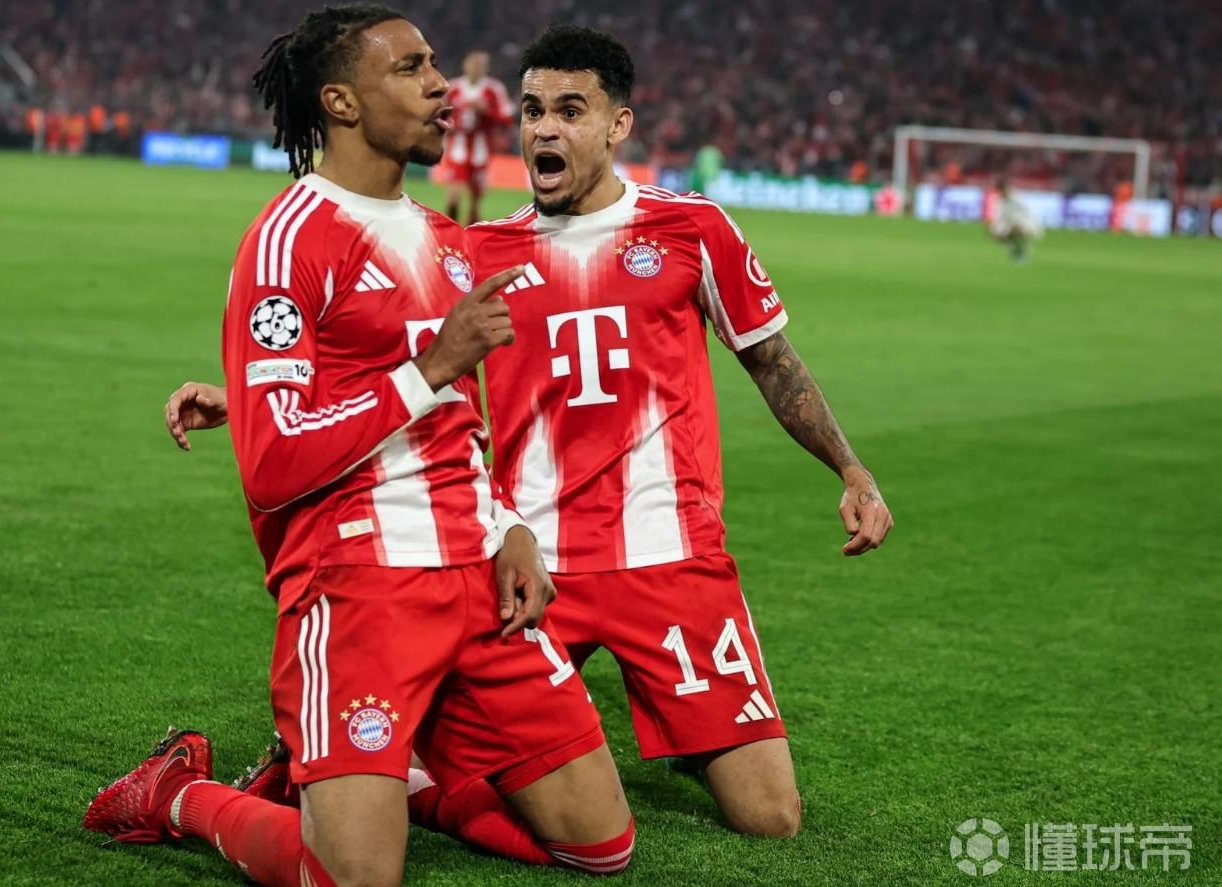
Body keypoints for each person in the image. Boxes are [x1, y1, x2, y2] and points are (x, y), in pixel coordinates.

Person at [166, 23, 893, 842]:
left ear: (615, 125)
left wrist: (851, 469)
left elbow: (771, 360)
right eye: (533, 110)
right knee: (430, 767)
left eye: (569, 112)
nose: (544, 129)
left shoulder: (691, 229)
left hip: (670, 553)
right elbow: (399, 345)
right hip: (530, 559)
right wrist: (242, 394)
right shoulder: (476, 251)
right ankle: (320, 762)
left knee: (769, 817)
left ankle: (683, 731)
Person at [85, 7, 635, 886]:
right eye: (410, 69)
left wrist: (509, 531)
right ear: (340, 102)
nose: (440, 85)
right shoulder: (289, 239)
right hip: (357, 585)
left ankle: (394, 780)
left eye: (434, 64)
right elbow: (272, 464)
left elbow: (460, 424)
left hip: (475, 577)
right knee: (352, 879)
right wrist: (430, 365)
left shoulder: (444, 240)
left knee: (601, 846)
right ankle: (178, 793)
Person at [442, 50, 511, 224]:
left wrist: (487, 111)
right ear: (465, 66)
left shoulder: (494, 89)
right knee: (453, 197)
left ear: (485, 69)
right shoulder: (453, 88)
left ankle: (470, 232)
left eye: (480, 66)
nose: (475, 69)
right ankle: (450, 230)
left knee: (475, 201)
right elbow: (440, 114)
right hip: (457, 149)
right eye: (473, 65)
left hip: (481, 151)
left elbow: (507, 118)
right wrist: (450, 125)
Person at [989, 179, 1041, 262]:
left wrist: (1018, 224)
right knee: (999, 233)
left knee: (1016, 231)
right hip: (1010, 225)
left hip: (1026, 224)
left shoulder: (1018, 198)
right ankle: (1014, 250)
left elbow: (1027, 214)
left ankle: (1024, 250)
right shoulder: (1000, 201)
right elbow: (999, 217)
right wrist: (994, 230)